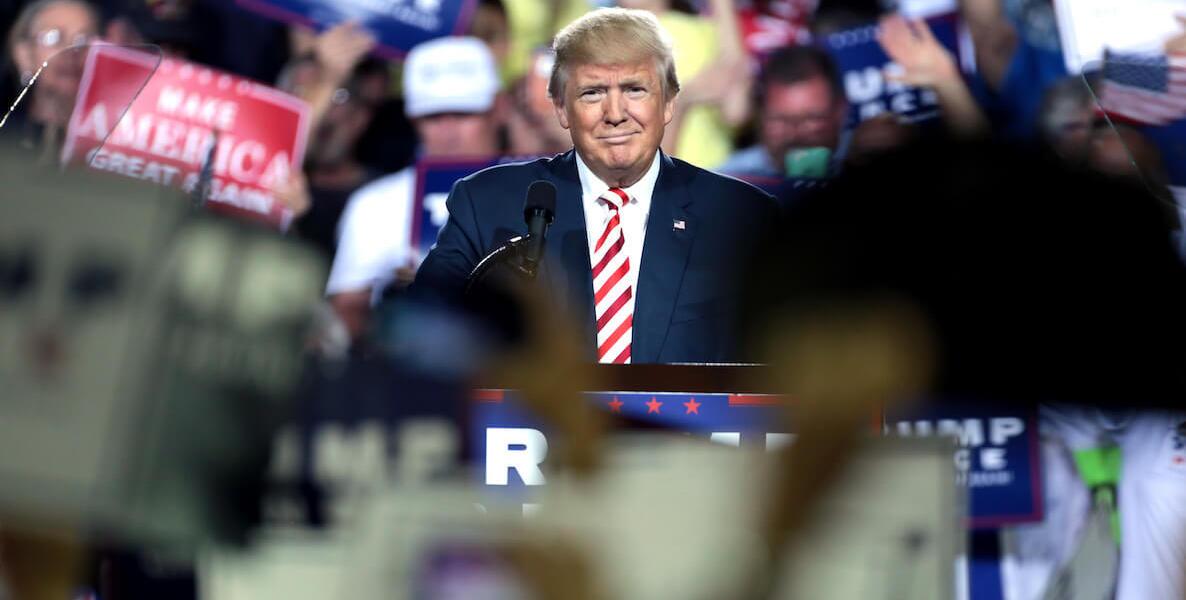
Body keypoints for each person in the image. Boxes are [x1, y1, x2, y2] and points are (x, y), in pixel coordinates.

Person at [412, 7, 776, 364]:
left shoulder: (739, 215)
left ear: (668, 103)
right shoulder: (487, 204)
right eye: (592, 93)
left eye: (635, 90)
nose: (615, 114)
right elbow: (420, 331)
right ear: (560, 108)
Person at [327, 36, 503, 341]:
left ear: (498, 109)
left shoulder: (544, 188)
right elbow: (346, 310)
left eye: (463, 114)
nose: (448, 133)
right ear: (412, 118)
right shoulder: (375, 205)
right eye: (433, 117)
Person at [717, 45, 847, 179]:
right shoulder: (729, 182)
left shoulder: (864, 169)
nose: (796, 135)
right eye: (780, 121)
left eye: (811, 119)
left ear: (840, 111)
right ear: (760, 115)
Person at [4, 0, 99, 163]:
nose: (72, 51)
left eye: (84, 41)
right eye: (54, 37)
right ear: (24, 54)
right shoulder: (6, 142)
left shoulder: (115, 152)